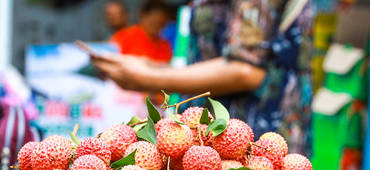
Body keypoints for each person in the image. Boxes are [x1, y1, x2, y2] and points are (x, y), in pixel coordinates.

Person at [93, 0, 313, 154]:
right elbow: (217, 59)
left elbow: (246, 70)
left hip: (257, 134)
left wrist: (149, 78)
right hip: (208, 139)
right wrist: (148, 66)